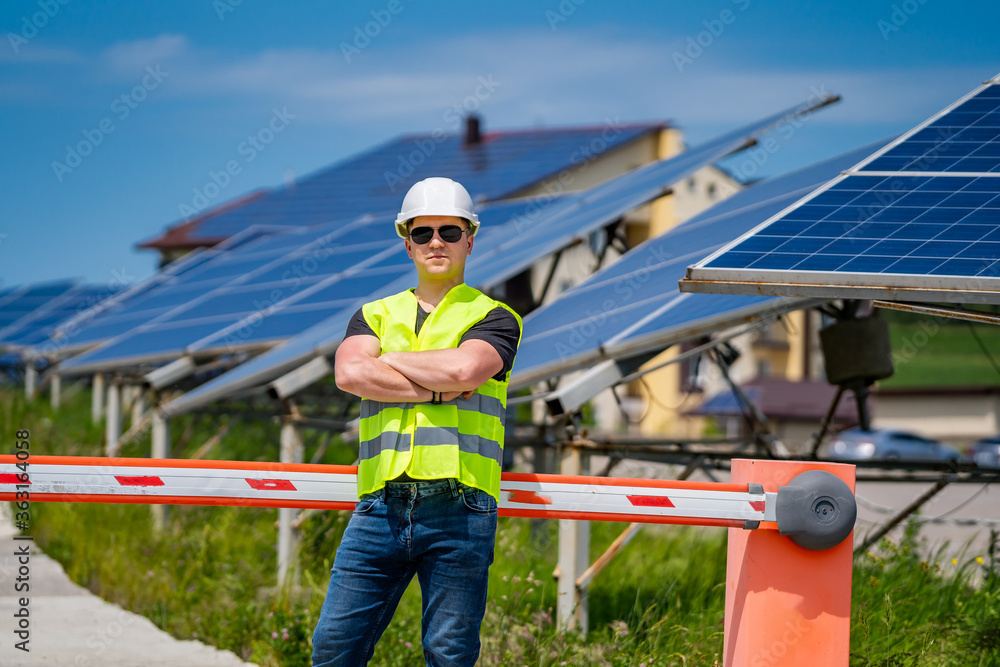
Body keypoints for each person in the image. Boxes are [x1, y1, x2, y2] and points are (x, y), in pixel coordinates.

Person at [311, 177, 522, 667]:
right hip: (378, 506)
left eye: (449, 231)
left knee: (448, 654)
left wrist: (389, 361)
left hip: (462, 507)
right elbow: (349, 372)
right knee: (332, 646)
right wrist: (436, 388)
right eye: (423, 233)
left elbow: (464, 370)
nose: (436, 242)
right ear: (406, 243)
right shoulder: (373, 313)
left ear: (470, 238)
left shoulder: (495, 317)